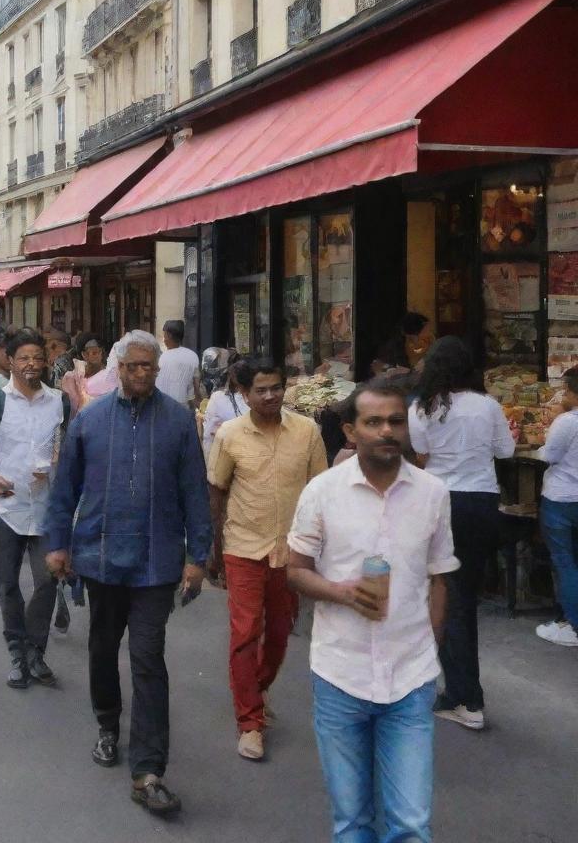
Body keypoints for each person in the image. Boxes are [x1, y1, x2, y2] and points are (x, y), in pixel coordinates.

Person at [46, 330, 211, 817]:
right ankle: (106, 724)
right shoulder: (90, 420)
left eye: (150, 368)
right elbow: (65, 489)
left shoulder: (179, 422)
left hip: (157, 563)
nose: (142, 374)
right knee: (101, 647)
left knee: (147, 658)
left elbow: (195, 494)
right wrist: (57, 544)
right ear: (118, 367)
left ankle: (149, 769)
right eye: (134, 366)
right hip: (99, 557)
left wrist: (197, 557)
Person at [288, 382, 458, 843]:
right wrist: (341, 593)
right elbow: (296, 570)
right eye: (374, 422)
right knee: (352, 823)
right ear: (350, 430)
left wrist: (432, 645)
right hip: (341, 674)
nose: (387, 431)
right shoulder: (322, 493)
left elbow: (440, 576)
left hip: (410, 679)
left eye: (396, 422)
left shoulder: (433, 493)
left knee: (411, 825)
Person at [207, 358, 327, 761]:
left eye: (276, 387)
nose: (270, 395)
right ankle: (250, 723)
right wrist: (212, 551)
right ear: (245, 394)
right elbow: (216, 492)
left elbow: (320, 492)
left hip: (290, 551)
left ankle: (256, 688)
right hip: (242, 547)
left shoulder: (307, 432)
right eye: (260, 389)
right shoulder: (229, 435)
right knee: (244, 634)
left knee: (279, 633)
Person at [408, 336, 514, 730]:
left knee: (447, 597)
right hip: (480, 503)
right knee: (459, 596)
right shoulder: (488, 406)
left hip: (438, 502)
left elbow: (421, 455)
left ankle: (465, 696)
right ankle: (461, 691)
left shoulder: (423, 408)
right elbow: (505, 452)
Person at [0, 328, 66, 688]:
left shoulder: (59, 401)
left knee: (47, 581)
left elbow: (69, 447)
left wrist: (57, 462)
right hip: (5, 507)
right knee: (8, 583)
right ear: (10, 360)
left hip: (46, 508)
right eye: (24, 358)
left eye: (38, 358)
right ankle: (16, 650)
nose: (32, 364)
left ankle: (35, 650)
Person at [536, 366, 578, 646]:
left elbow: (549, 455)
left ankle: (573, 625)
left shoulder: (567, 421)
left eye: (565, 389)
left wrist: (538, 447)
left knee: (565, 563)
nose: (563, 394)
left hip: (562, 499)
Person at [201, 358, 250, 455]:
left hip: (224, 452)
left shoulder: (218, 397)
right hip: (228, 453)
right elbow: (210, 431)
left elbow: (209, 432)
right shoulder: (218, 397)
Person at [156, 319, 201, 407]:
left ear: (168, 335)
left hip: (161, 407)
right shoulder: (193, 356)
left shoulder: (161, 357)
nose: (163, 339)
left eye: (164, 335)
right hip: (182, 407)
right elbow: (196, 386)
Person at [61, 335, 106, 415]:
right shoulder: (74, 376)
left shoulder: (108, 374)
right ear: (84, 354)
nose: (95, 356)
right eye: (92, 353)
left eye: (98, 352)